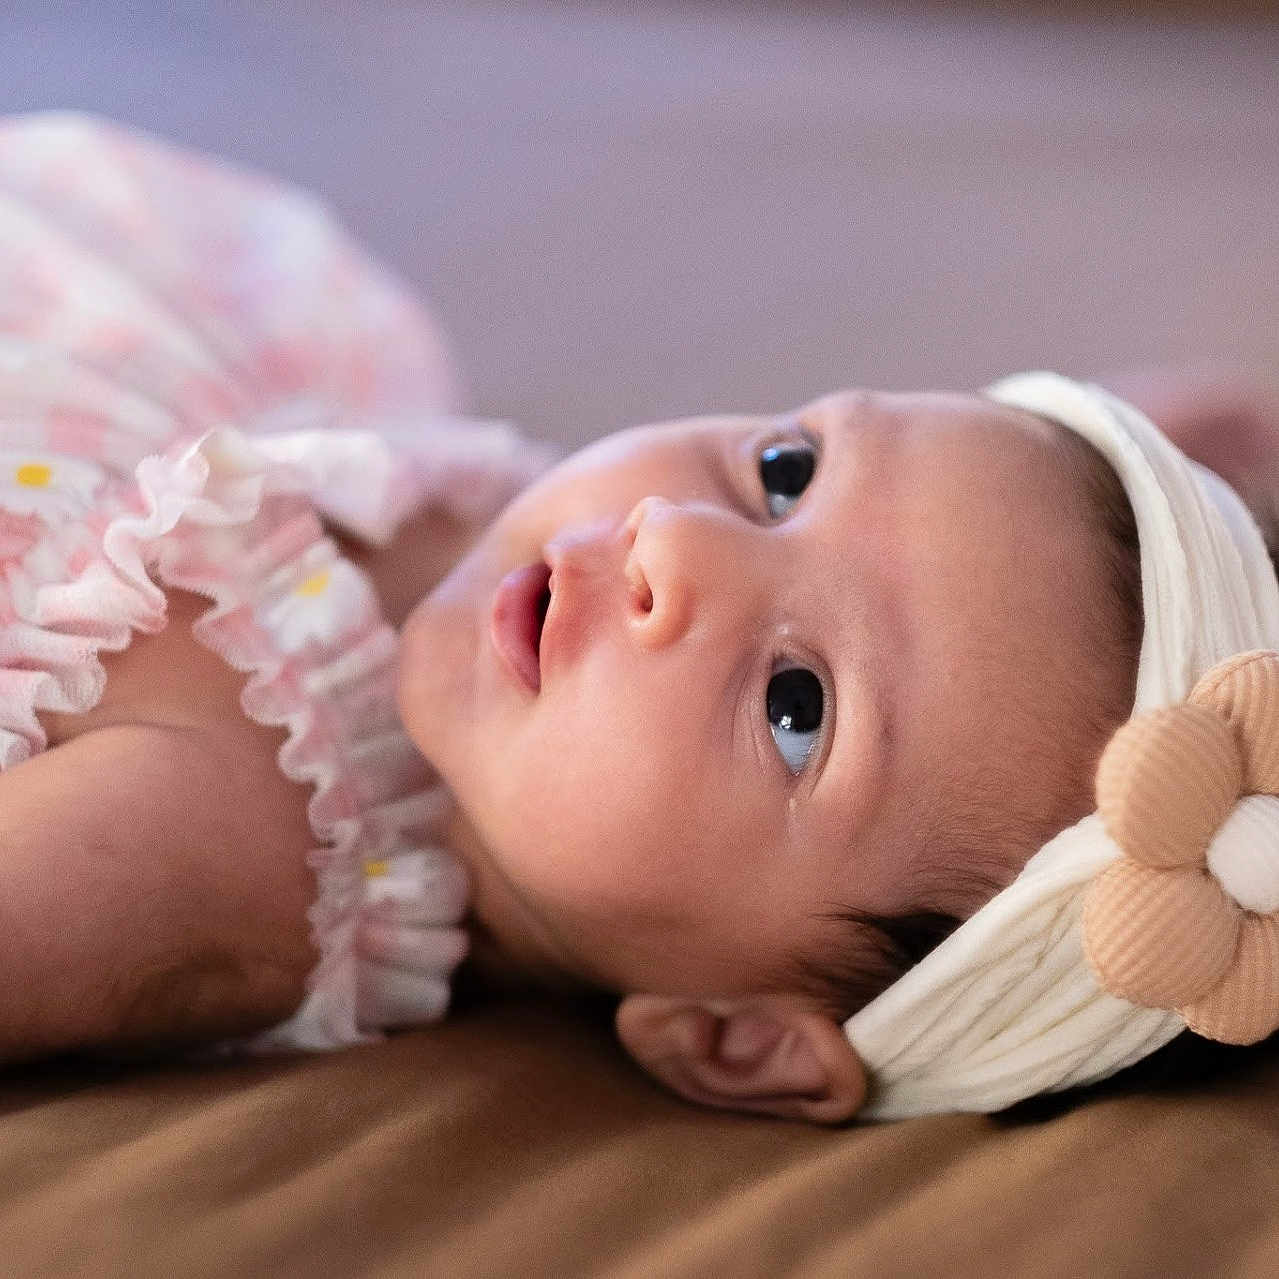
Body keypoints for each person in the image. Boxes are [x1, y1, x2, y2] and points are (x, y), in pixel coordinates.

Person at [3, 113, 1276, 1123]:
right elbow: (949, 576)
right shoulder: (553, 616)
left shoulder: (211, 851)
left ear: (738, 1038)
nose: (677, 540)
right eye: (785, 472)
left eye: (797, 708)